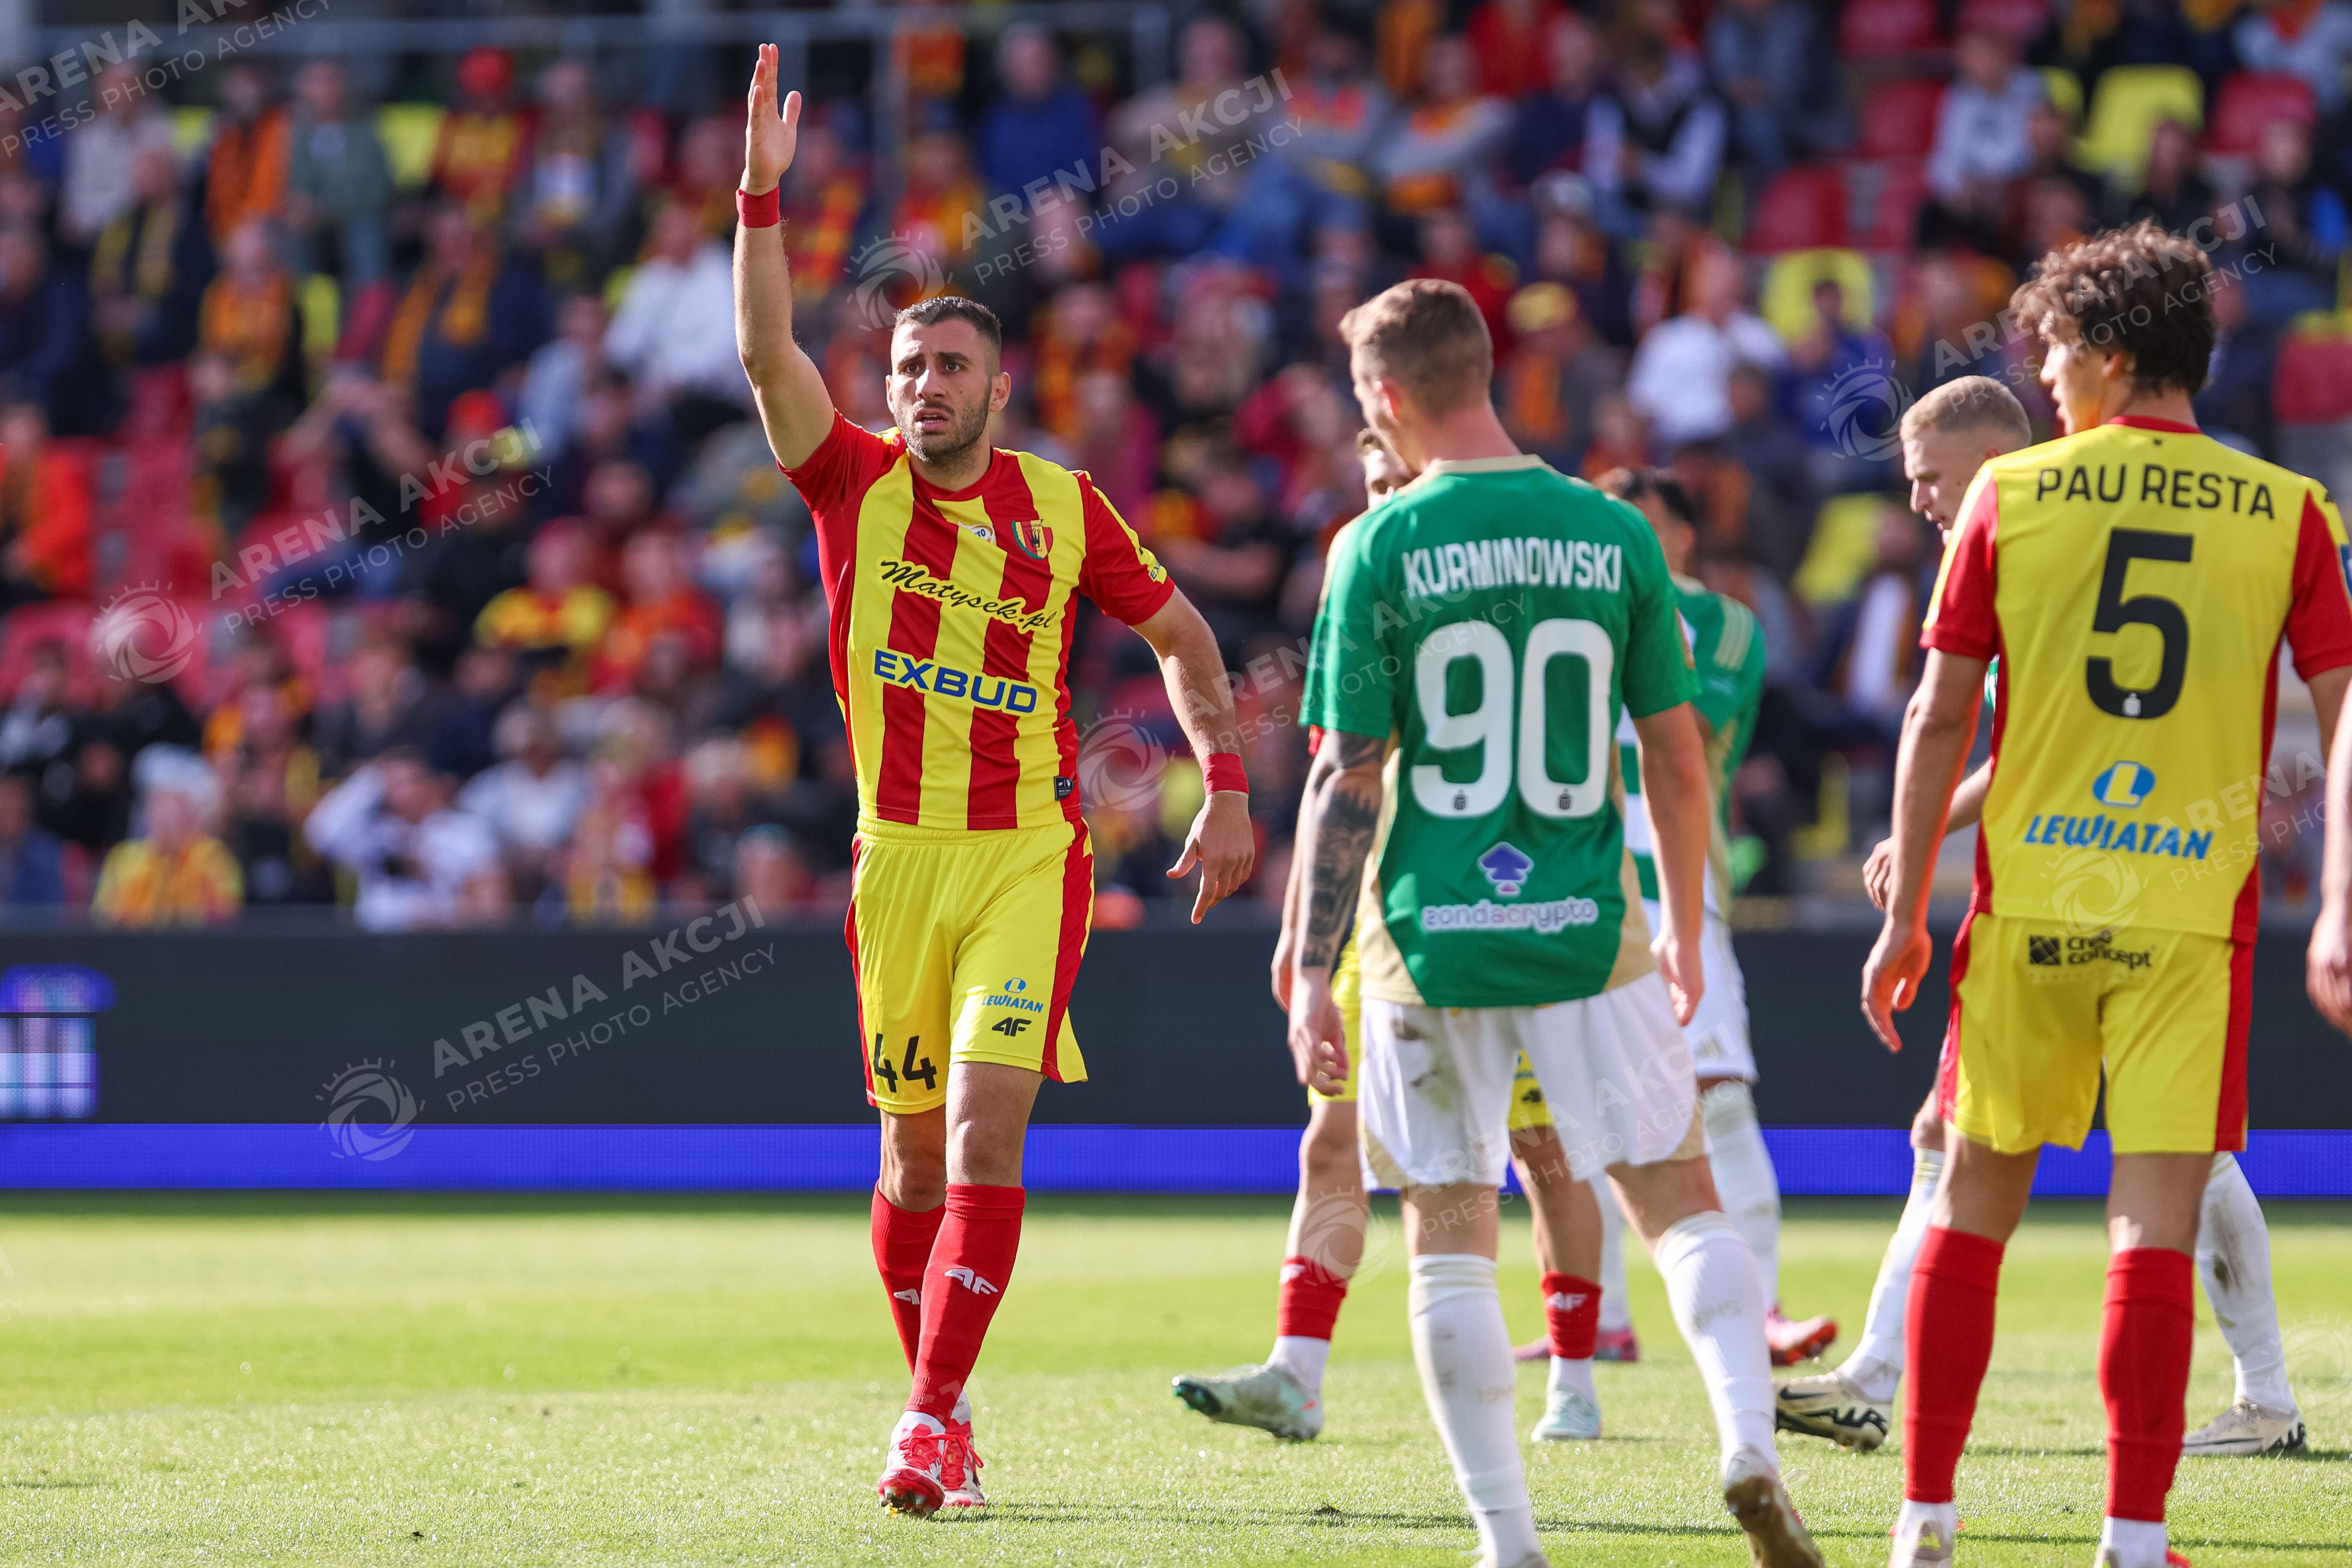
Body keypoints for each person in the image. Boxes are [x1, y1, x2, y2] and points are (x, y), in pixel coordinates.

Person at [733, 47, 1256, 1518]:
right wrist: (760, 199)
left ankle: (922, 1420)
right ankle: (948, 1414)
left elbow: (1183, 633)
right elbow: (766, 357)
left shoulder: (1063, 507)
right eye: (906, 368)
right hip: (895, 857)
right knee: (908, 1164)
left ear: (997, 386)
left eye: (949, 366)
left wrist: (1224, 781)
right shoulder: (848, 484)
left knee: (980, 1132)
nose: (923, 387)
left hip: (1028, 850)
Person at [1289, 278, 1821, 1568]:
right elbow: (1679, 759)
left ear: (1385, 395)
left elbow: (1347, 773)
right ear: (1487, 371)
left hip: (1430, 935)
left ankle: (1508, 1539)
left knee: (1450, 1232)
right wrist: (1683, 924)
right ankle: (1747, 1443)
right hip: (1595, 925)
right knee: (1680, 1202)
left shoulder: (1377, 543)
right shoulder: (1613, 532)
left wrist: (1307, 966)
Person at [1861, 223, 2352, 1568]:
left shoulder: (2006, 496)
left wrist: (1904, 911)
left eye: (2058, 348)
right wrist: (2342, 894)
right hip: (2187, 918)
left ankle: (1923, 1518)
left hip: (2029, 906)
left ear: (2117, 356)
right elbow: (2343, 709)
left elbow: (1937, 710)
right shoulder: (2291, 512)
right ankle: (2132, 1540)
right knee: (2153, 1226)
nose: (2044, 372)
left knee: (1971, 1205)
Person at [1782, 376, 2310, 1464]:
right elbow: (2034, 740)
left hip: (2066, 892)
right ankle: (2260, 1397)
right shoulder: (2070, 538)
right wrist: (1929, 828)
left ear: (1985, 461)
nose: (1918, 499)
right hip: (2163, 882)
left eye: (1927, 476)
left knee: (2066, 1148)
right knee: (2161, 1149)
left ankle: (1887, 1392)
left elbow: (1969, 724)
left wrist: (1919, 848)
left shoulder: (2026, 536)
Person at [1170, 429, 1613, 1449]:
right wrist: (1302, 931)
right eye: (1372, 485)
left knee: (1539, 1151)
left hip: (1499, 912)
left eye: (1399, 482)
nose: (1384, 502)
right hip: (1380, 922)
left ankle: (1575, 1376)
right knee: (1331, 1139)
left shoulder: (1496, 595)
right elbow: (1333, 782)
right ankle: (1296, 1372)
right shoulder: (1361, 591)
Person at [1556, 466, 1832, 1369]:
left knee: (1716, 1095)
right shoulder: (1566, 609)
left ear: (1680, 536)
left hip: (1676, 888)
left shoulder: (1720, 620)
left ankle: (1764, 1309)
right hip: (1580, 880)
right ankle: (1598, 1323)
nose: (1621, 541)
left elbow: (1685, 718)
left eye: (1639, 524)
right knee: (1574, 1114)